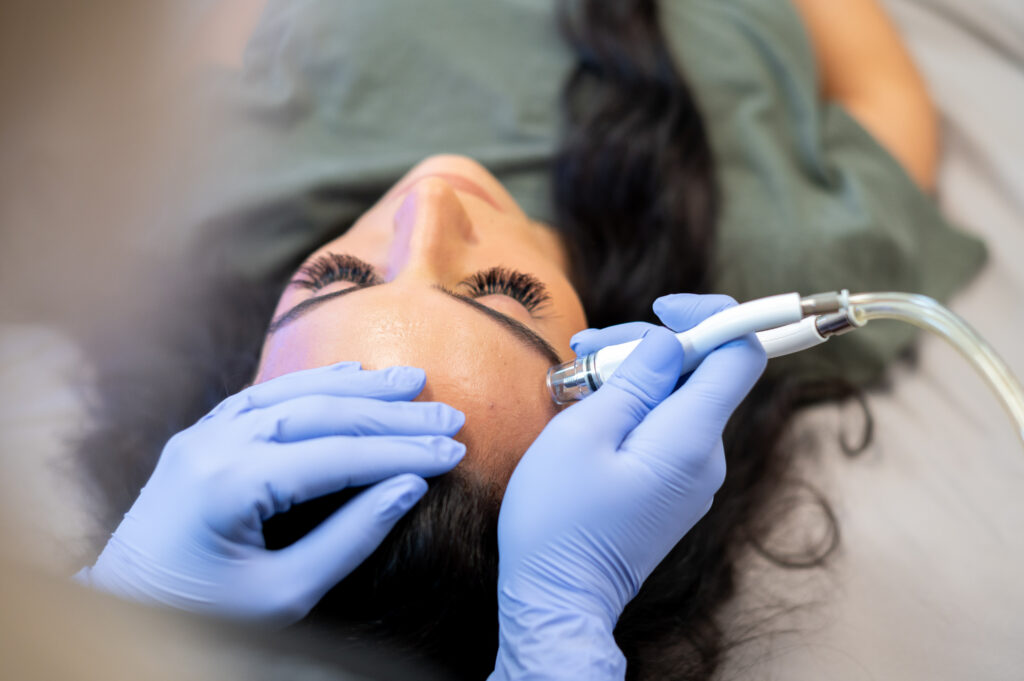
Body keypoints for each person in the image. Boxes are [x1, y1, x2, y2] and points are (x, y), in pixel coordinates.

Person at [72, 1, 985, 679]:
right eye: (503, 294)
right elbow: (878, 88)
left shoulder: (194, 210)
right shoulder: (768, 258)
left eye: (336, 277)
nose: (427, 201)